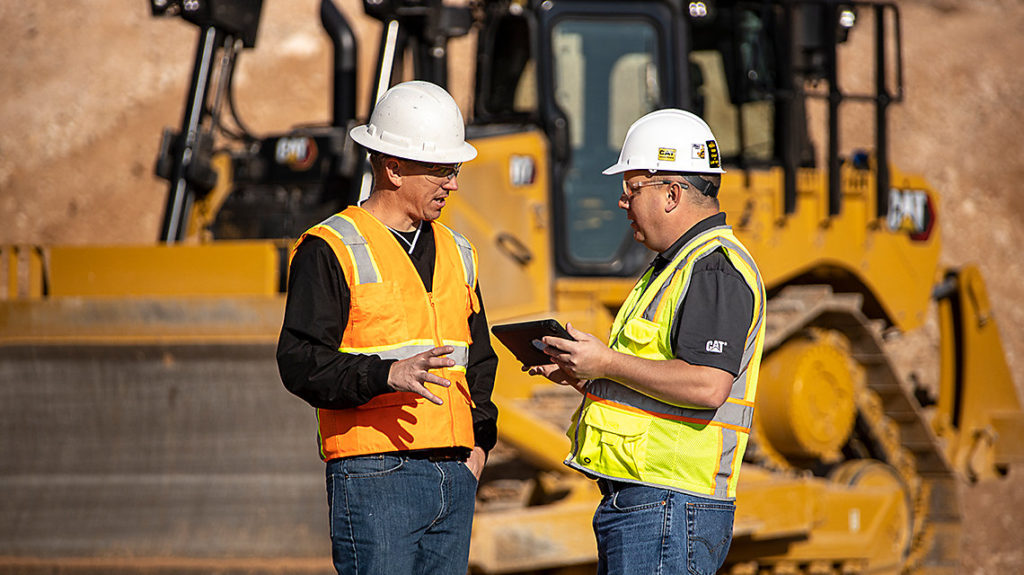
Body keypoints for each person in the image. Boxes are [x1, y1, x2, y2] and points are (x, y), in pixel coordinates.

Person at [528, 109, 765, 574]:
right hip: (651, 501)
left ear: (672, 194)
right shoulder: (674, 266)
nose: (622, 202)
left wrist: (606, 363)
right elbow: (654, 384)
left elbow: (706, 386)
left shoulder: (712, 268)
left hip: (670, 501)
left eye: (632, 188)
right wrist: (586, 374)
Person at [276, 80, 498, 575]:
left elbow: (479, 360)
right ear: (393, 168)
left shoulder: (459, 252)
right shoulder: (331, 248)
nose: (453, 184)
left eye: (455, 170)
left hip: (455, 473)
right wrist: (386, 375)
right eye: (441, 170)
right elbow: (300, 362)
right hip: (376, 472)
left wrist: (480, 446)